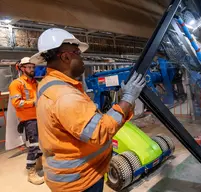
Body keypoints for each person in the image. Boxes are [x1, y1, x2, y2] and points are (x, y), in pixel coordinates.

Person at [30, 28, 146, 192]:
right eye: (77, 52)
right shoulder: (65, 95)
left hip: (69, 177)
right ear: (66, 56)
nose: (82, 57)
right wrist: (128, 99)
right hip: (80, 180)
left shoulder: (49, 84)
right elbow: (100, 132)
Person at [8, 57, 44, 185]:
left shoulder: (34, 82)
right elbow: (17, 103)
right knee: (33, 146)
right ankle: (31, 172)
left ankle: (39, 164)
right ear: (22, 68)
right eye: (29, 67)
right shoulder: (16, 84)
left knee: (40, 143)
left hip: (38, 116)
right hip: (28, 119)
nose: (32, 69)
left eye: (33, 67)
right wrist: (33, 103)